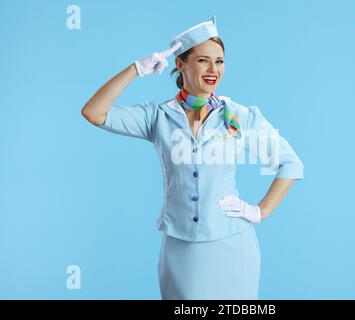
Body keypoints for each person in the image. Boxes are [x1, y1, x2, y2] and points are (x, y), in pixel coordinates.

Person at [81, 16, 304, 300]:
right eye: (203, 61)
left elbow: (291, 163)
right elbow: (94, 113)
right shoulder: (157, 116)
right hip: (180, 248)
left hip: (234, 244)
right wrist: (135, 69)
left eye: (220, 61)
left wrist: (260, 211)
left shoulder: (240, 116)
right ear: (180, 64)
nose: (214, 69)